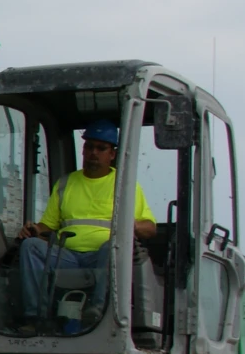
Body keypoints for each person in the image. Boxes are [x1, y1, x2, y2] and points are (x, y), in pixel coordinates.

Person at [17, 119, 156, 333]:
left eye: (101, 148)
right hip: (68, 256)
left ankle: (97, 310)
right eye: (89, 147)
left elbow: (150, 227)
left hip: (102, 257)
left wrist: (133, 225)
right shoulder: (65, 184)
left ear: (112, 154)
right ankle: (36, 317)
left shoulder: (125, 186)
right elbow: (48, 224)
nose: (93, 153)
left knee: (112, 247)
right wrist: (36, 229)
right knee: (31, 246)